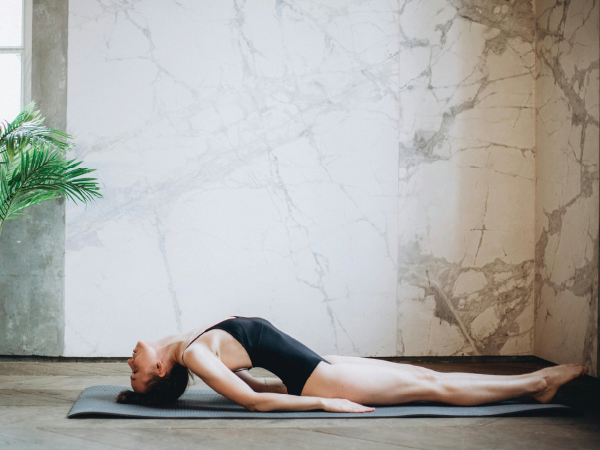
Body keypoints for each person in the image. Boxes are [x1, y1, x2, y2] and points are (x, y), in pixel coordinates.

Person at [117, 316, 588, 412]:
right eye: (133, 373)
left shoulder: (191, 345)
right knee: (434, 387)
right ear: (160, 370)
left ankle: (536, 383)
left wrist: (294, 390)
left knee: (426, 377)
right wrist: (324, 407)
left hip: (322, 367)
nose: (129, 363)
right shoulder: (196, 353)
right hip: (328, 381)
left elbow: (256, 382)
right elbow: (251, 400)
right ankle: (539, 382)